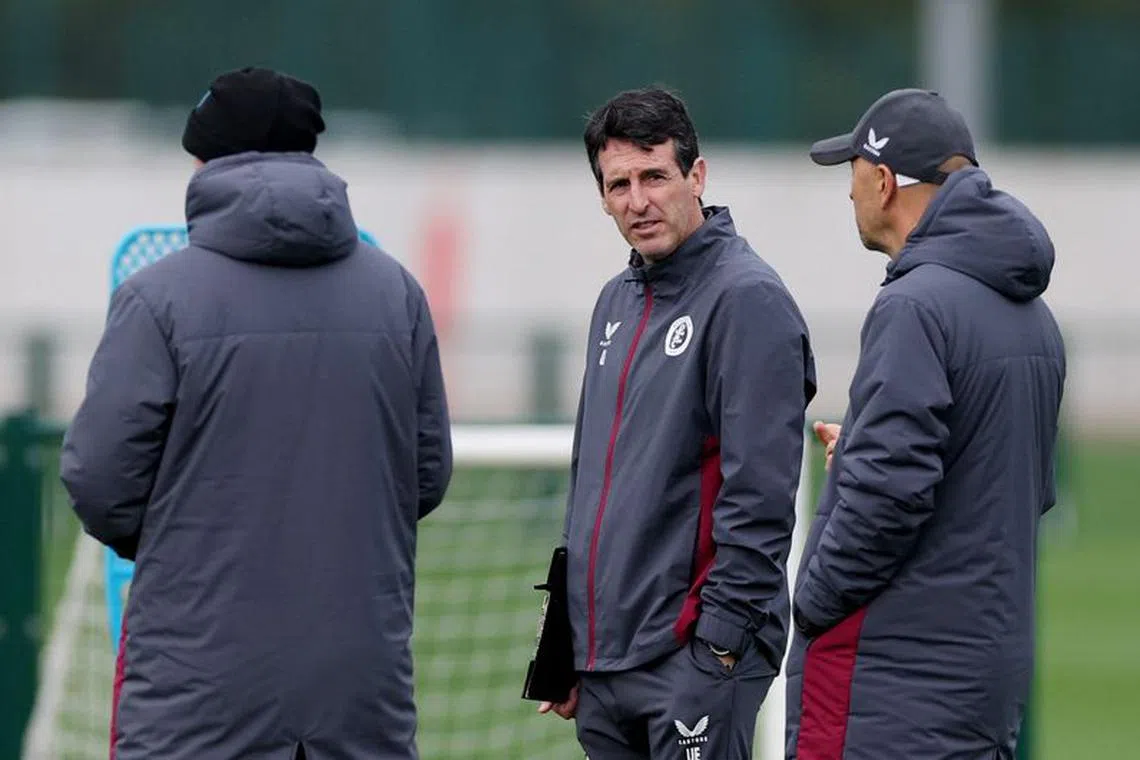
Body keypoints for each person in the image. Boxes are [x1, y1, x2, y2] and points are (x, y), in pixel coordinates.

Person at [60, 67, 452, 760]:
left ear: (206, 160)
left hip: (194, 683)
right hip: (358, 685)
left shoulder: (158, 298)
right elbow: (425, 474)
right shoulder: (398, 294)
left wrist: (183, 545)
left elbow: (100, 480)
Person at [785, 88, 1066, 760]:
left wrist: (813, 600)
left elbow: (889, 495)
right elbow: (1008, 485)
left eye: (852, 174)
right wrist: (862, 457)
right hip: (981, 685)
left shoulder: (915, 306)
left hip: (892, 689)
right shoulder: (1033, 317)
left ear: (884, 182)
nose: (849, 194)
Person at [538, 86, 817, 760]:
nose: (638, 201)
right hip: (606, 666)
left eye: (655, 176)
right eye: (619, 184)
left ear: (696, 175)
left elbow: (761, 499)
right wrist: (570, 639)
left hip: (691, 660)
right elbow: (593, 485)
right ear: (602, 197)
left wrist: (717, 648)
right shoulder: (616, 303)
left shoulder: (747, 300)